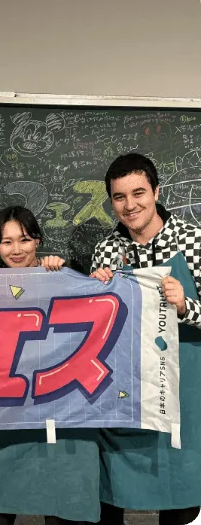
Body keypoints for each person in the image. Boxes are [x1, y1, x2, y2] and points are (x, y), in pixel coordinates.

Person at [0, 206, 100, 525]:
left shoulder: (63, 275)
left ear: (37, 240)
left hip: (63, 416)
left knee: (67, 507)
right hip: (11, 416)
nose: (16, 249)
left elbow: (99, 310)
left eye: (24, 239)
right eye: (6, 241)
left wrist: (79, 277)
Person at [90, 153, 201, 525]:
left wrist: (184, 306)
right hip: (129, 386)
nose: (130, 205)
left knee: (183, 489)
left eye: (138, 193)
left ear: (156, 191)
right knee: (115, 482)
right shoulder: (106, 251)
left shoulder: (193, 240)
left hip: (186, 389)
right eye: (119, 197)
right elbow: (100, 333)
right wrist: (97, 296)